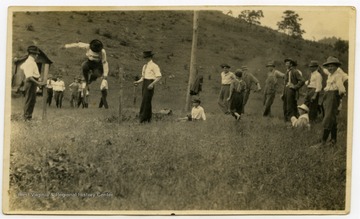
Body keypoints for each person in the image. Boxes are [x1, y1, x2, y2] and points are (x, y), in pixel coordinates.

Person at [320, 56, 347, 146]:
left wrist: (338, 98)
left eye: (332, 66)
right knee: (332, 118)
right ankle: (333, 140)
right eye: (328, 66)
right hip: (328, 95)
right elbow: (325, 71)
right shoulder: (330, 75)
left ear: (336, 67)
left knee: (328, 118)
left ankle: (323, 142)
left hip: (333, 96)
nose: (330, 68)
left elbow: (342, 89)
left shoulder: (337, 76)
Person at [134, 51, 162, 123]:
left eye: (146, 57)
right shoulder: (144, 66)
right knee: (145, 100)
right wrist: (138, 82)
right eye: (144, 58)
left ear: (150, 57)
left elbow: (159, 76)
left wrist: (152, 84)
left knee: (146, 101)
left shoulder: (154, 66)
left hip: (150, 83)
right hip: (145, 83)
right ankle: (148, 118)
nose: (145, 59)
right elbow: (143, 77)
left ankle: (142, 118)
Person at [21, 45, 45, 121]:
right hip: (31, 82)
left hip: (32, 81)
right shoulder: (30, 62)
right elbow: (29, 77)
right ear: (32, 54)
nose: (37, 55)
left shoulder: (30, 61)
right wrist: (38, 83)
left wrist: (37, 78)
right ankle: (27, 118)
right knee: (30, 100)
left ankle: (28, 117)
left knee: (32, 100)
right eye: (36, 54)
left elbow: (22, 67)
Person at [282, 58, 305, 122]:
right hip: (286, 90)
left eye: (287, 63)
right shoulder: (287, 71)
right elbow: (285, 82)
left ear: (291, 64)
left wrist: (295, 87)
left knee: (290, 106)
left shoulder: (295, 71)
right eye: (285, 63)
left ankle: (291, 121)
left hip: (291, 90)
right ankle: (286, 120)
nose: (286, 64)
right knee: (285, 105)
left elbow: (302, 81)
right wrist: (283, 92)